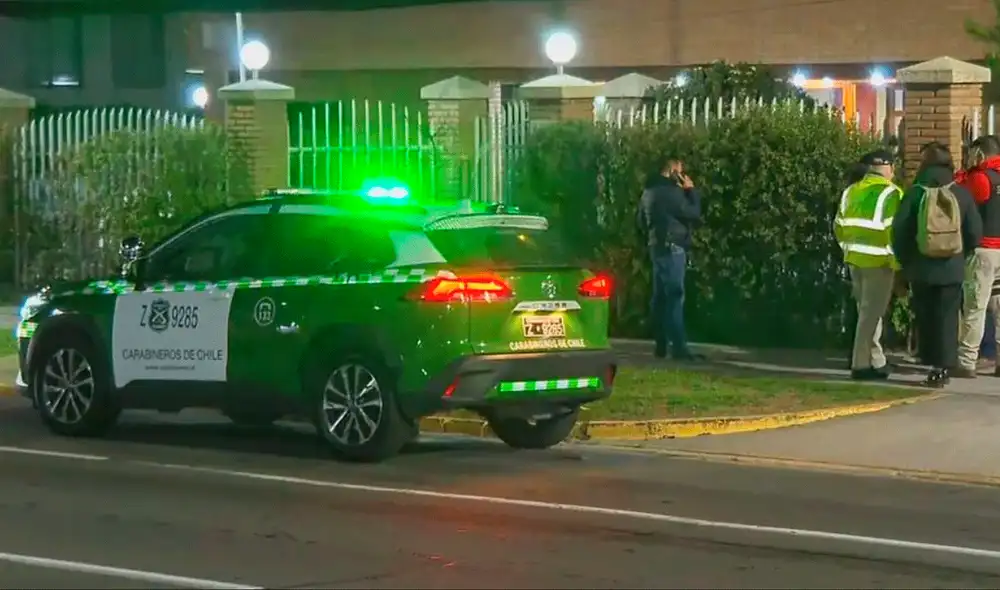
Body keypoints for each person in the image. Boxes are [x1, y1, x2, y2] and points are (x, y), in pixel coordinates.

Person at [892, 142, 983, 387]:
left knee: (926, 316)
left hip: (921, 267)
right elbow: (975, 232)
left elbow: (899, 231)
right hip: (951, 267)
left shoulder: (916, 192)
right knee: (947, 316)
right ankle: (943, 367)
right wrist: (962, 255)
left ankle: (930, 360)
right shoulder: (960, 192)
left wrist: (906, 260)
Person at [834, 150, 903, 380]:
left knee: (866, 312)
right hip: (879, 262)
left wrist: (848, 251)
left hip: (854, 260)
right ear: (888, 168)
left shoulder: (851, 190)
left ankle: (876, 360)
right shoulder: (891, 193)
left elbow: (839, 226)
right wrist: (897, 264)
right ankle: (860, 365)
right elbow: (895, 232)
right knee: (870, 316)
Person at [637, 154, 702, 360]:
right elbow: (693, 213)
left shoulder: (647, 193)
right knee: (675, 296)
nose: (682, 175)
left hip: (656, 246)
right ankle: (679, 348)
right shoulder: (672, 193)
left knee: (660, 298)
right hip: (673, 246)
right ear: (673, 171)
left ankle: (661, 345)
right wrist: (691, 191)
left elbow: (640, 221)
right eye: (680, 171)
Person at [954, 135, 1000, 377]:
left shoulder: (981, 179)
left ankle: (966, 361)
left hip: (983, 251)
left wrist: (964, 174)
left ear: (981, 154)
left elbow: (961, 198)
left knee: (975, 306)